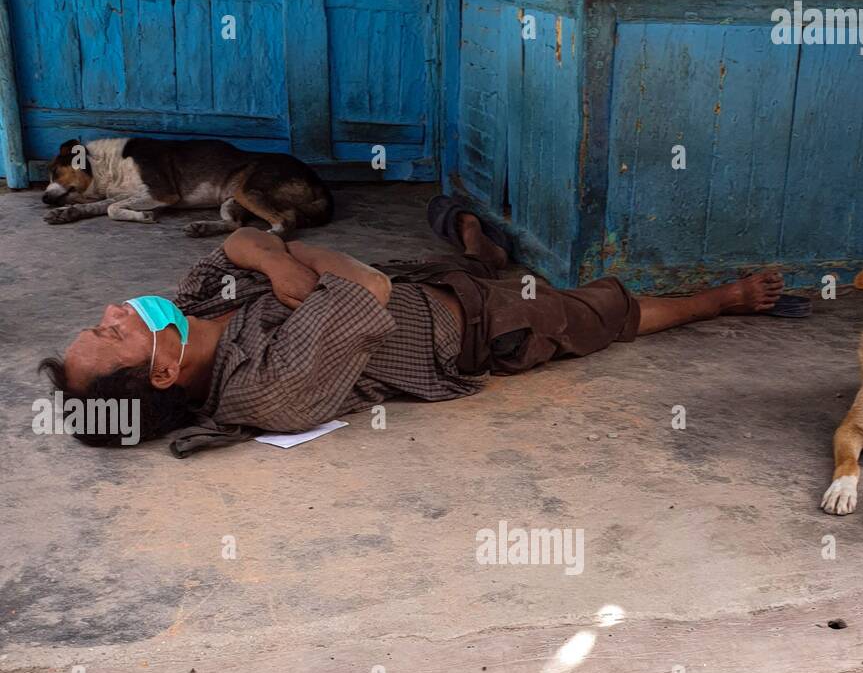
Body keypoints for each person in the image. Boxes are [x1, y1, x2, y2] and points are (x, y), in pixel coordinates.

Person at [39, 198, 789, 455]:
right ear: (163, 374)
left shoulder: (190, 311)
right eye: (112, 338)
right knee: (588, 312)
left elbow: (234, 243)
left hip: (417, 283)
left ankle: (473, 243)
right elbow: (361, 287)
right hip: (475, 324)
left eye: (101, 323)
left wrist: (273, 257)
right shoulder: (266, 390)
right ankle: (721, 300)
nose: (112, 314)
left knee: (461, 262)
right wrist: (290, 253)